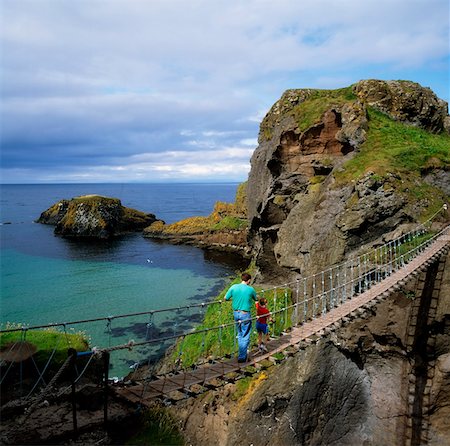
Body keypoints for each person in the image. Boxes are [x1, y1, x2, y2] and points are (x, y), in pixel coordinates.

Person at [224, 272, 257, 363]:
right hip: (245, 314)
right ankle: (242, 356)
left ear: (241, 279)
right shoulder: (250, 289)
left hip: (236, 313)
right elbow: (256, 299)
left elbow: (225, 298)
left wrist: (234, 299)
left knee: (240, 334)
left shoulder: (234, 287)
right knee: (245, 334)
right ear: (249, 280)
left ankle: (241, 353)